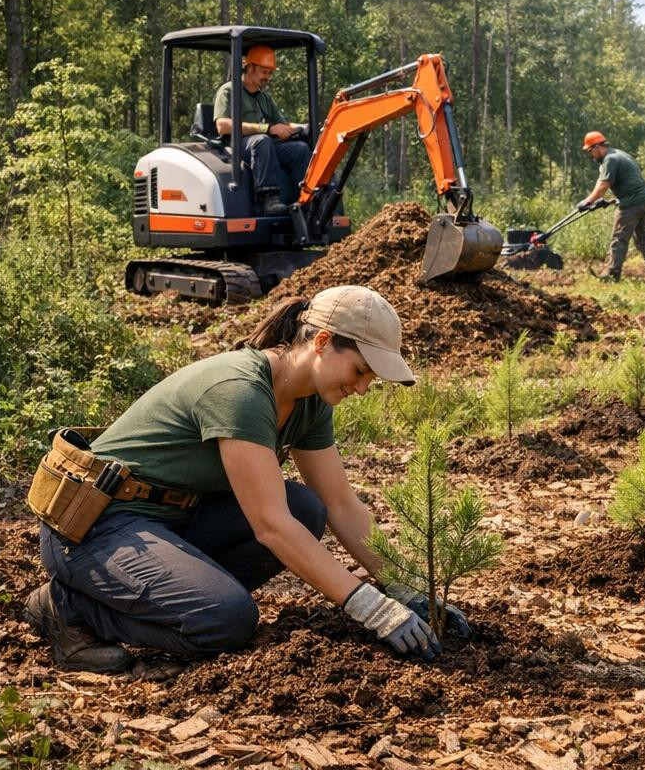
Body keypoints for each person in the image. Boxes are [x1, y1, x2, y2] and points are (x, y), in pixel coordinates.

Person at [24, 285, 471, 672]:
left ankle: (183, 590)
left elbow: (340, 504)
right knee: (226, 620)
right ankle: (68, 607)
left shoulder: (310, 402)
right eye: (359, 370)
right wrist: (371, 608)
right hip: (96, 526)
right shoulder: (238, 389)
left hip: (173, 518)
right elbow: (270, 525)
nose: (362, 388)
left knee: (307, 508)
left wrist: (407, 586)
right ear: (322, 341)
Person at [213, 44, 310, 217]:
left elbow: (283, 125)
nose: (268, 77)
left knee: (300, 150)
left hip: (264, 147)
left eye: (270, 73)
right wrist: (266, 128)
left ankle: (305, 200)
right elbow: (222, 125)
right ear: (250, 68)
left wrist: (304, 127)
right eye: (264, 72)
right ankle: (269, 199)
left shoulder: (264, 97)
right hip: (236, 146)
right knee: (262, 140)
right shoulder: (228, 90)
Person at [578, 131, 645, 282]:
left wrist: (587, 201)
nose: (591, 155)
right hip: (644, 200)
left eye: (590, 151)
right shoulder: (619, 154)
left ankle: (611, 274)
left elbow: (603, 185)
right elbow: (621, 181)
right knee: (643, 239)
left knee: (619, 238)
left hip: (632, 203)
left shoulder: (610, 159)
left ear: (597, 147)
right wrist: (606, 200)